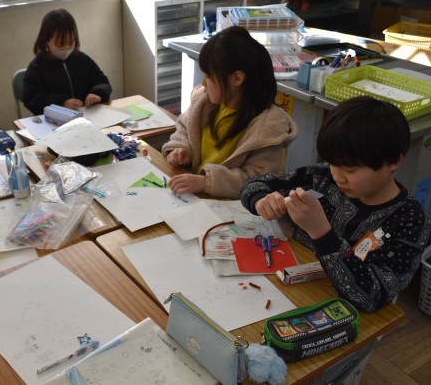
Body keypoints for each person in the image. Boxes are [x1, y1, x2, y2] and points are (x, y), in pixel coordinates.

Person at [241, 96, 431, 312]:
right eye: (333, 163)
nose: (339, 177)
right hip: (287, 285)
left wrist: (322, 233)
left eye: (350, 170)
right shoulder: (323, 178)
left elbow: (372, 295)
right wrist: (261, 200)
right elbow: (255, 183)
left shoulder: (410, 221)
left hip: (340, 311)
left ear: (393, 161)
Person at [162, 26, 298, 199]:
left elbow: (257, 179)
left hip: (227, 206)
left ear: (237, 78)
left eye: (209, 76)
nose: (203, 83)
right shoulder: (204, 101)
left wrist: (206, 182)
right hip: (193, 196)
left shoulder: (269, 127)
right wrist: (181, 149)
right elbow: (183, 129)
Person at [23, 8, 112, 115]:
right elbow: (31, 99)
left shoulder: (83, 60)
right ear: (46, 40)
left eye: (71, 43)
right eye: (60, 44)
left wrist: (97, 93)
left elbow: (102, 82)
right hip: (54, 119)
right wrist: (61, 102)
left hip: (86, 116)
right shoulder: (37, 67)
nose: (66, 48)